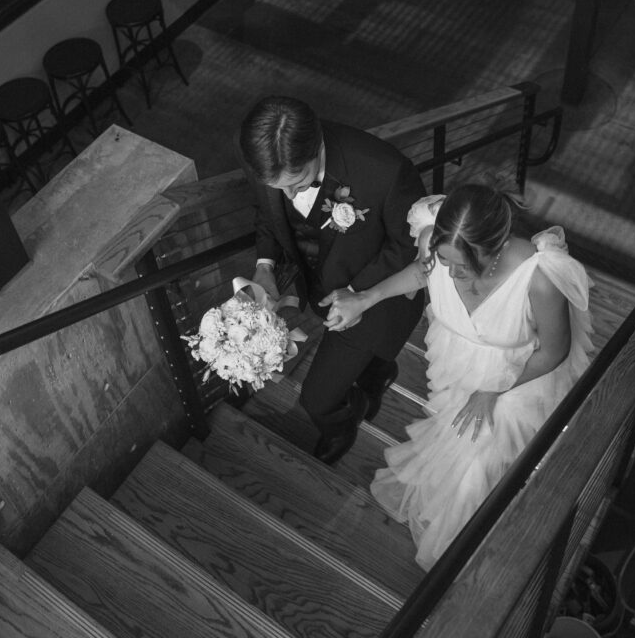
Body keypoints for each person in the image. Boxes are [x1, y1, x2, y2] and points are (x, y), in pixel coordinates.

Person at [327, 184, 593, 569]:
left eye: (462, 266)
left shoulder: (539, 278)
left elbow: (554, 351)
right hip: (458, 363)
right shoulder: (432, 242)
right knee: (458, 443)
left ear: (495, 248)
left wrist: (493, 391)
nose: (449, 273)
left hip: (518, 376)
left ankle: (462, 556)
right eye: (443, 260)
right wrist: (365, 299)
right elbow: (420, 274)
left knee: (483, 460)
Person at [238, 95, 426, 465]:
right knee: (367, 364)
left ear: (316, 146)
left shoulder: (385, 171)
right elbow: (267, 212)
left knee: (316, 399)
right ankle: (377, 375)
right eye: (277, 186)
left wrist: (360, 295)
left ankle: (342, 423)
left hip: (378, 298)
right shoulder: (259, 150)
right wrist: (265, 264)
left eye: (297, 182)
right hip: (319, 288)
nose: (288, 195)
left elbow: (410, 248)